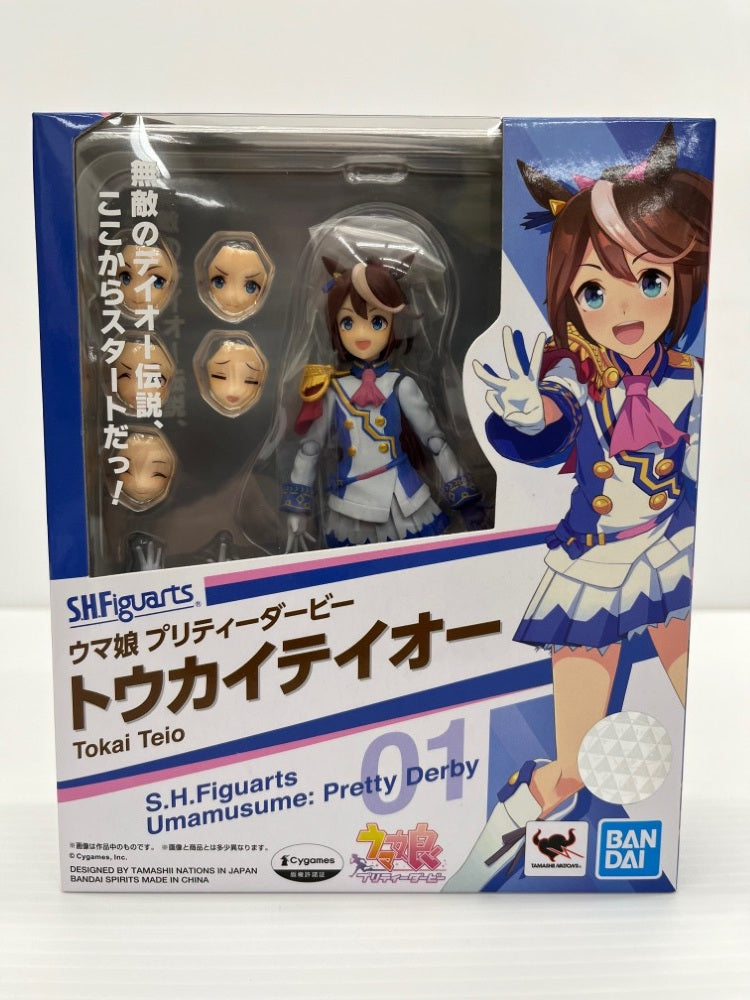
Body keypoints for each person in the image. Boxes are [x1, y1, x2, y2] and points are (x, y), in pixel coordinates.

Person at [445, 124, 712, 891]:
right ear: (572, 299)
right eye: (595, 290)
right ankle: (476, 864)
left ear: (681, 276)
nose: (623, 307)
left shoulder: (688, 376)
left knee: (682, 708)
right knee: (571, 767)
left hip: (667, 554)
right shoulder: (579, 380)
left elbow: (692, 469)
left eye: (649, 279)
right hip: (592, 573)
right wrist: (526, 414)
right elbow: (549, 426)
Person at [282, 256, 481, 551]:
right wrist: (297, 509)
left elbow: (435, 442)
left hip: (403, 501)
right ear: (335, 327)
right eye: (348, 322)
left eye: (377, 321)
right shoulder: (333, 389)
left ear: (394, 325)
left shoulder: (401, 385)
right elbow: (310, 448)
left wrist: (465, 500)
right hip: (352, 504)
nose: (362, 334)